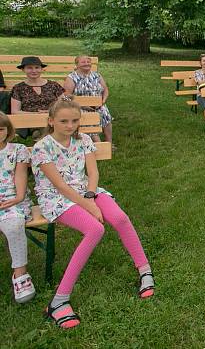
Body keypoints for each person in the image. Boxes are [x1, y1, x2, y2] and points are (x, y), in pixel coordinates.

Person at [32, 97, 154, 329]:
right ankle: (59, 301)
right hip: (56, 198)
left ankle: (145, 270)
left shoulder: (84, 139)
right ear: (51, 121)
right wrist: (90, 207)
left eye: (75, 121)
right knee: (95, 229)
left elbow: (93, 172)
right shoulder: (41, 148)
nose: (70, 126)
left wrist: (91, 197)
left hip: (85, 191)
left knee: (119, 217)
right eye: (64, 121)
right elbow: (60, 186)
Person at [0, 113, 35, 304]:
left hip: (13, 200)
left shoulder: (18, 150)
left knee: (14, 226)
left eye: (0, 129)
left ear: (8, 131)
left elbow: (20, 175)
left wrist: (18, 197)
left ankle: (20, 275)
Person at [63, 55, 114, 146]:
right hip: (80, 106)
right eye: (83, 62)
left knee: (106, 115)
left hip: (99, 105)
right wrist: (83, 105)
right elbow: (67, 95)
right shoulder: (71, 77)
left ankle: (109, 142)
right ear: (77, 65)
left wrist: (103, 101)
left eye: (88, 62)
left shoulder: (96, 75)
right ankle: (98, 144)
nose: (86, 63)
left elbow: (105, 89)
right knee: (88, 118)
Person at [10, 56, 64, 139]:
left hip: (53, 117)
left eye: (37, 67)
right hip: (31, 120)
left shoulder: (53, 85)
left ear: (41, 69)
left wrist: (49, 112)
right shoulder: (18, 88)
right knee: (44, 127)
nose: (34, 71)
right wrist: (36, 114)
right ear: (23, 70)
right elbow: (15, 111)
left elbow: (64, 105)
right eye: (29, 68)